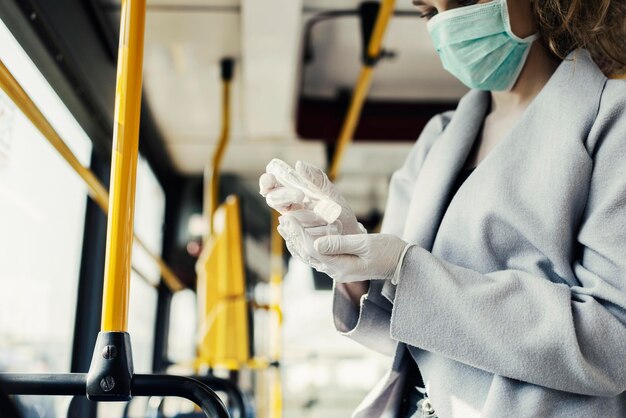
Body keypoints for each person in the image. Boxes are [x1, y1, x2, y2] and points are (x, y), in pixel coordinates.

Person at [260, 0, 626, 416]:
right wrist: (352, 266)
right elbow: (408, 334)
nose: (448, 23)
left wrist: (407, 271)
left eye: (465, 3)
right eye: (429, 12)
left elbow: (612, 341)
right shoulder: (439, 137)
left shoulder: (612, 118)